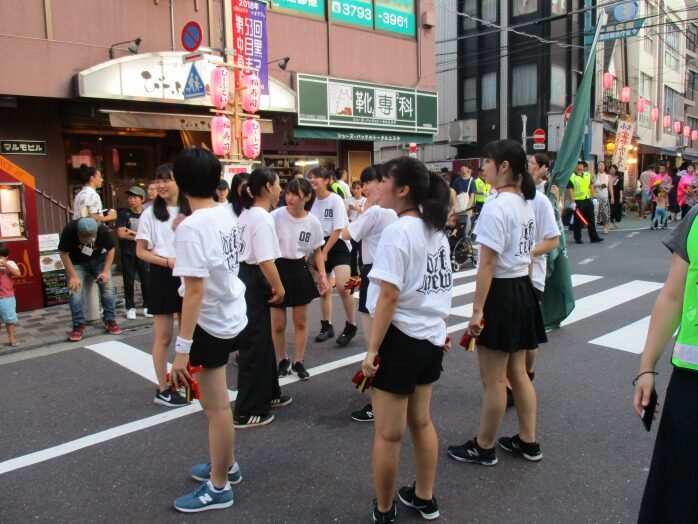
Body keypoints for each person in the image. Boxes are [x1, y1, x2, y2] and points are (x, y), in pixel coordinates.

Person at [360, 157, 451, 523]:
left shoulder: (399, 231)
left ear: (403, 190)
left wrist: (371, 349)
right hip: (429, 337)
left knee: (388, 434)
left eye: (383, 181)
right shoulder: (435, 230)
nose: (377, 186)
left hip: (399, 339)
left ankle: (384, 509)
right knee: (422, 422)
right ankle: (425, 498)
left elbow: (388, 296)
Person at [448, 139, 546, 467]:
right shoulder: (526, 202)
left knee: (493, 380)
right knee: (518, 373)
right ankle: (528, 440)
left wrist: (477, 310)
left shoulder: (496, 205)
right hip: (522, 289)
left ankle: (484, 446)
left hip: (502, 294)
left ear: (504, 166)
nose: (483, 168)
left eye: (487, 162)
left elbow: (487, 264)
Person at [168, 148, 247, 514]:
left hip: (209, 323)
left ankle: (219, 485)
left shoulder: (191, 228)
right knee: (217, 408)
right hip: (231, 313)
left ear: (180, 184)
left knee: (216, 409)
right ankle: (224, 464)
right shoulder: (225, 213)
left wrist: (181, 349)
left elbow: (194, 291)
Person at [633, 205, 698, 523]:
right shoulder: (696, 219)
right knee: (677, 495)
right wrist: (646, 367)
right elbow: (673, 295)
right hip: (691, 384)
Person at [231, 167, 292, 428]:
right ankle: (247, 410)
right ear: (268, 186)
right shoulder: (261, 218)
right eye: (279, 185)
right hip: (254, 276)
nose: (280, 190)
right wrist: (280, 288)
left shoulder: (246, 215)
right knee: (255, 344)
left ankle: (269, 393)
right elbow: (266, 260)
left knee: (262, 340)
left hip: (245, 275)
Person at [341, 165, 398, 423]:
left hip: (373, 272)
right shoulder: (395, 211)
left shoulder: (374, 212)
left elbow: (346, 233)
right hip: (389, 272)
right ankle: (387, 396)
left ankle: (379, 402)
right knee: (386, 337)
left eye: (369, 183)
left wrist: (359, 215)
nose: (364, 188)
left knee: (374, 342)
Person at [136, 163, 191, 408]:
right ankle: (163, 388)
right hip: (162, 273)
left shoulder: (190, 209)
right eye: (157, 181)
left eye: (165, 180)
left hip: (189, 272)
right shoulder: (149, 213)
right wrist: (167, 261)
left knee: (188, 332)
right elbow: (141, 252)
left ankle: (187, 382)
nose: (160, 185)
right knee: (164, 336)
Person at [270, 178, 329, 380]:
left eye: (295, 193)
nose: (289, 197)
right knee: (278, 324)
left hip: (298, 270)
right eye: (287, 192)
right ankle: (282, 360)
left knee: (300, 322)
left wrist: (322, 275)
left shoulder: (312, 222)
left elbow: (317, 251)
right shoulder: (275, 216)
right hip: (276, 269)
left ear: (307, 196)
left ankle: (298, 361)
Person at [308, 167, 358, 346]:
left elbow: (338, 229)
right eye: (310, 178)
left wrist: (325, 252)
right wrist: (315, 252)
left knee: (345, 287)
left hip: (337, 244)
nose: (313, 181)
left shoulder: (335, 199)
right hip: (318, 245)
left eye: (316, 178)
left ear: (327, 180)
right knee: (324, 288)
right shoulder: (310, 201)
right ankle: (326, 325)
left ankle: (351, 325)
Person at [58, 217, 122, 342]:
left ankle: (110, 320)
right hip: (76, 263)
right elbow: (63, 253)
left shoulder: (102, 230)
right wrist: (73, 276)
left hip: (99, 261)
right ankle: (78, 325)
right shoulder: (70, 230)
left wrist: (105, 271)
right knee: (75, 291)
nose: (87, 240)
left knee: (107, 288)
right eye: (84, 237)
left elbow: (111, 250)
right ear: (78, 232)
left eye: (90, 237)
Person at [116, 186, 151, 320]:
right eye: (130, 197)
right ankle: (130, 307)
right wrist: (139, 236)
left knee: (146, 280)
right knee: (129, 280)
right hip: (127, 252)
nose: (131, 200)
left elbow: (151, 234)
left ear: (142, 199)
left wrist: (131, 233)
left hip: (144, 252)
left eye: (135, 197)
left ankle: (147, 306)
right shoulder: (124, 214)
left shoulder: (147, 214)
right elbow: (121, 233)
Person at [567, 160, 603, 244]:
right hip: (578, 201)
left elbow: (591, 187)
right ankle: (577, 238)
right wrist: (572, 202)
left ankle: (594, 237)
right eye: (579, 164)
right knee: (578, 220)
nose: (581, 166)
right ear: (575, 165)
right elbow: (570, 190)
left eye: (582, 164)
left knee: (591, 219)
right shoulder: (571, 176)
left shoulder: (587, 175)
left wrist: (594, 197)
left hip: (587, 199)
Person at [0, 243, 20, 347]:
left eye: (1, 256)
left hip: (7, 297)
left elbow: (17, 273)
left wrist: (6, 265)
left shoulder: (10, 263)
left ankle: (12, 338)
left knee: (10, 319)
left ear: (6, 256)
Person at [345, 181, 366, 277]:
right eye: (354, 188)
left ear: (361, 189)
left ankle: (362, 272)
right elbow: (346, 216)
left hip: (362, 228)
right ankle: (353, 273)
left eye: (358, 188)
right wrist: (350, 209)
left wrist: (358, 209)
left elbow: (367, 214)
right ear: (352, 189)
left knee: (362, 251)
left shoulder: (366, 200)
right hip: (351, 226)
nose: (356, 190)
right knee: (352, 252)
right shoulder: (348, 201)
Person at [594, 161, 611, 234]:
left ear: (604, 167)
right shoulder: (594, 175)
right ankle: (593, 227)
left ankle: (606, 227)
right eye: (599, 165)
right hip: (597, 196)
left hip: (605, 196)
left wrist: (612, 197)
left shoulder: (608, 176)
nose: (600, 166)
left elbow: (610, 187)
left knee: (605, 212)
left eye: (601, 165)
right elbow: (592, 186)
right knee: (595, 213)